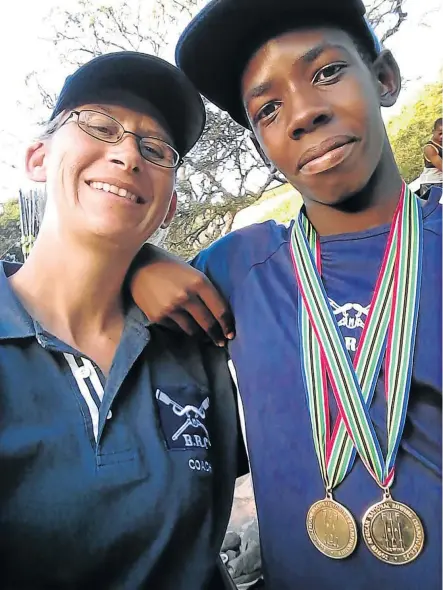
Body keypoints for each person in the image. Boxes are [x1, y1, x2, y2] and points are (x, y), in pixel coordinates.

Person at [129, 1, 442, 589]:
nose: (302, 114)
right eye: (268, 108)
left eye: (326, 72)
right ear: (261, 145)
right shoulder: (239, 266)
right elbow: (70, 285)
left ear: (384, 77)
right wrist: (136, 264)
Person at [0, 51, 247, 589]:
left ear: (170, 206)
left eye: (155, 148)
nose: (128, 154)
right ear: (38, 157)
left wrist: (142, 261)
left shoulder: (195, 338)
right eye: (99, 125)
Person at [419, 117, 442, 196]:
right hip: (431, 185)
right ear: (433, 132)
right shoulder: (430, 148)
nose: (442, 136)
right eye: (440, 133)